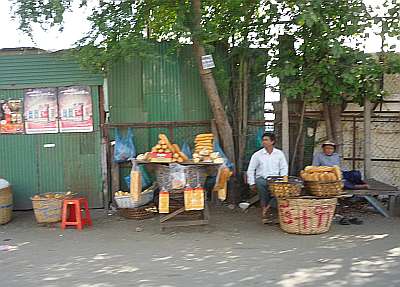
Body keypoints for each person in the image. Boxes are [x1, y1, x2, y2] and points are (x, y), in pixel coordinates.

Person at [247, 132, 288, 224]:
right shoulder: (257, 155)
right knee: (261, 184)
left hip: (276, 180)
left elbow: (284, 168)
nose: (264, 142)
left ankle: (268, 208)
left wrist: (283, 181)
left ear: (272, 141)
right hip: (263, 179)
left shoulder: (279, 154)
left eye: (266, 140)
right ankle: (265, 208)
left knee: (282, 192)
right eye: (263, 140)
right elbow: (251, 169)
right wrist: (251, 183)